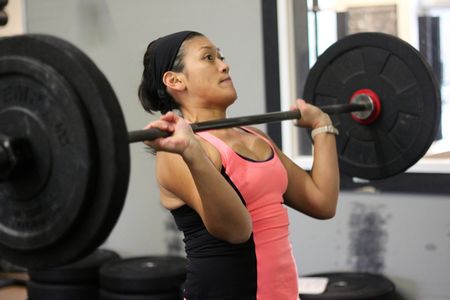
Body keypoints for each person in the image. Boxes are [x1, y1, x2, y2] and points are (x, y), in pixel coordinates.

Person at [138, 31, 339, 300]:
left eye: (221, 56)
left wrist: (321, 127)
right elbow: (237, 230)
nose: (224, 65)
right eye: (208, 57)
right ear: (175, 80)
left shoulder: (256, 137)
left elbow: (322, 202)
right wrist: (191, 151)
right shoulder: (174, 152)